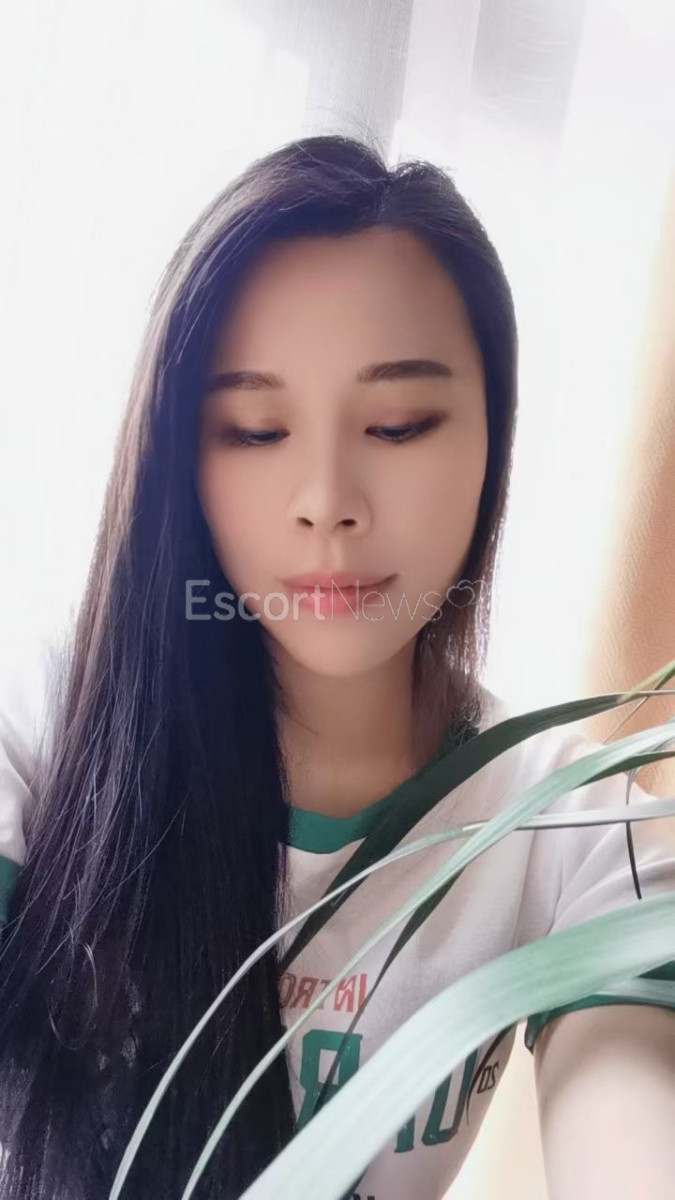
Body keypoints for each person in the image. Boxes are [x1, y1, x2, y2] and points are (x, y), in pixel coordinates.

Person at [0, 133, 673, 1200]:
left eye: (398, 426)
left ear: (493, 439)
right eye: (254, 429)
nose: (325, 501)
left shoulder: (570, 831)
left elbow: (634, 1134)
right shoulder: (40, 733)